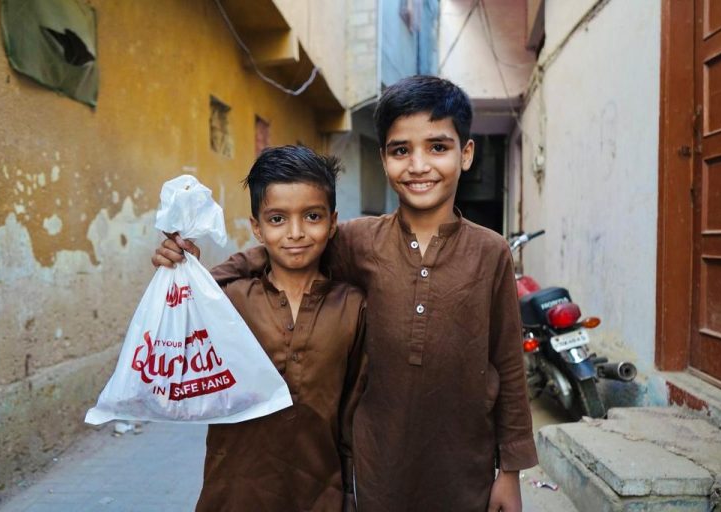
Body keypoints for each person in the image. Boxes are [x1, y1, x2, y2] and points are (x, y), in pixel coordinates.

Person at [195, 75, 538, 511]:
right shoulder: (358, 240)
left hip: (463, 466)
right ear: (383, 159)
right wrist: (186, 269)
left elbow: (507, 364)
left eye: (437, 147)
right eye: (401, 150)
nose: (418, 165)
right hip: (377, 467)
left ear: (465, 154)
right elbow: (293, 250)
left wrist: (509, 472)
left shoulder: (491, 252)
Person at [152, 145, 366, 512]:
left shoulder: (352, 305)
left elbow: (352, 416)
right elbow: (173, 347)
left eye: (312, 216)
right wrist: (180, 272)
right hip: (234, 492)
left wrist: (348, 493)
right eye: (277, 219)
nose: (296, 233)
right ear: (257, 227)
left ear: (333, 223)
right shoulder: (228, 301)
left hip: (320, 494)